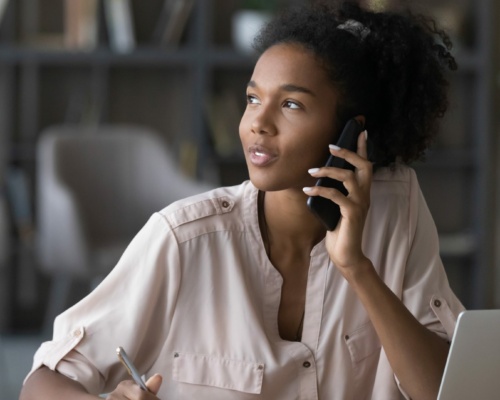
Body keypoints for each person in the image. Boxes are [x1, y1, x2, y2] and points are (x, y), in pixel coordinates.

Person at [20, 1, 464, 399]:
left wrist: (356, 268)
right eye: (253, 99)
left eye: (291, 105)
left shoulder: (396, 206)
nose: (258, 123)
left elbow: (447, 391)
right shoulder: (185, 237)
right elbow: (41, 382)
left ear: (351, 131)